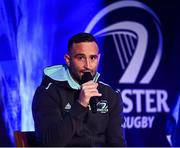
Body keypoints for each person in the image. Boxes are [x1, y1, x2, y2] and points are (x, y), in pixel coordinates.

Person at [32, 32, 126, 146]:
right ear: (68, 59)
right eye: (81, 58)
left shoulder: (110, 95)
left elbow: (117, 143)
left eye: (93, 58)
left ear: (99, 58)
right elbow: (51, 143)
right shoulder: (47, 93)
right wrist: (81, 104)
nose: (87, 65)